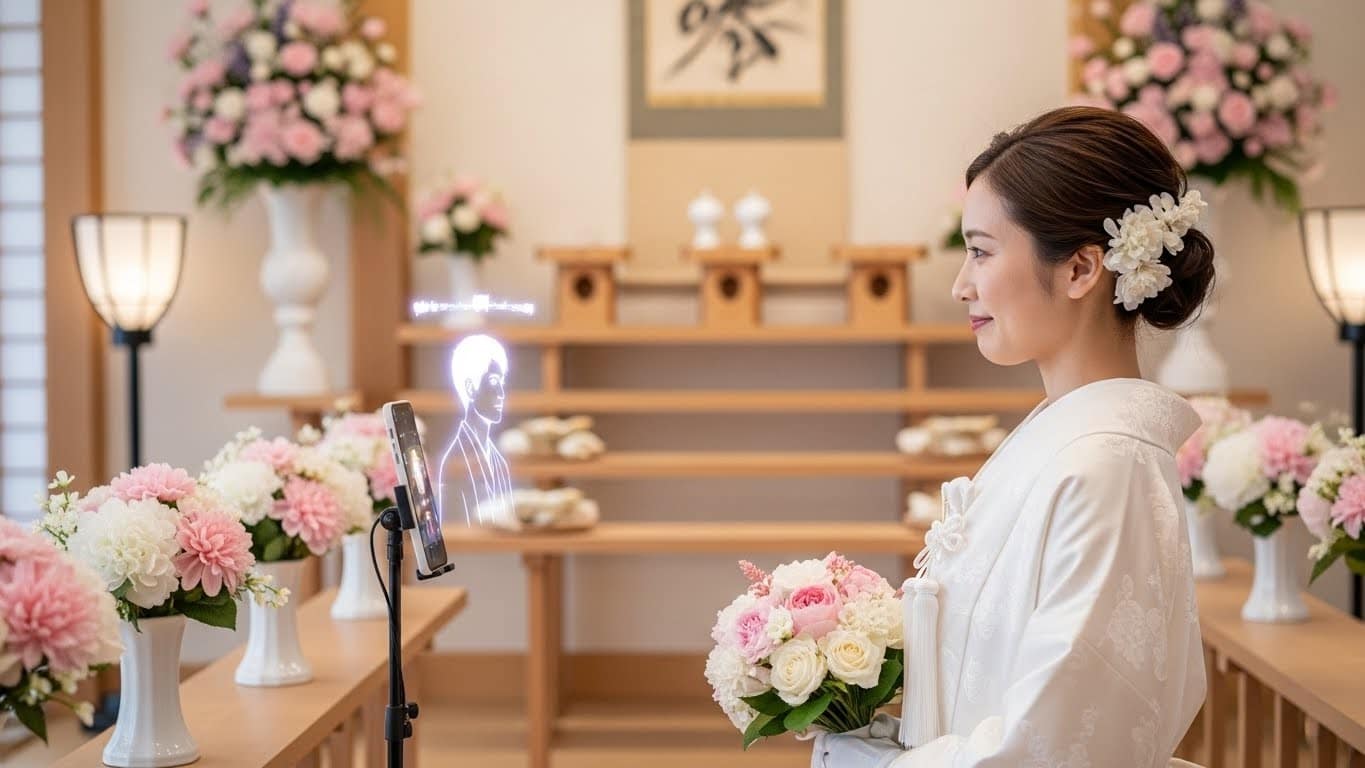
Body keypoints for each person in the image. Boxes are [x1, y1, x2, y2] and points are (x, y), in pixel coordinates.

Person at [812, 106, 1215, 767]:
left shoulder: (1105, 466)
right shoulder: (1062, 440)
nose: (959, 284)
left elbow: (1060, 741)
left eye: (979, 251)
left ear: (1081, 269)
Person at [438, 334, 516, 528]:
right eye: (492, 381)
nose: (501, 394)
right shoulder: (454, 462)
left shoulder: (498, 459)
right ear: (471, 388)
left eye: (502, 382)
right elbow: (453, 536)